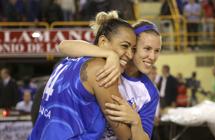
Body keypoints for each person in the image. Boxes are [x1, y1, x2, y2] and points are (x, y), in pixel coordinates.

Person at [29, 11, 137, 140]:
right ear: (103, 42)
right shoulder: (102, 69)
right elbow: (125, 135)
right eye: (125, 46)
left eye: (133, 49)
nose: (130, 55)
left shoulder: (70, 59)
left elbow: (63, 45)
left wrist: (111, 54)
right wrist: (134, 119)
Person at [58, 19, 162, 139]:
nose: (152, 57)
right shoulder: (102, 64)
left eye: (157, 51)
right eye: (147, 49)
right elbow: (63, 45)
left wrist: (136, 122)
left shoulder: (149, 92)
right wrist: (110, 55)